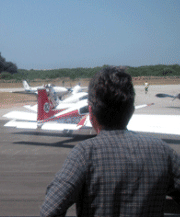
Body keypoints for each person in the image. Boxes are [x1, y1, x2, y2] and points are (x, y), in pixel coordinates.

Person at [40, 66, 180, 216]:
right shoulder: (163, 152)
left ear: (91, 113)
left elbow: (50, 211)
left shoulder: (83, 154)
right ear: (131, 111)